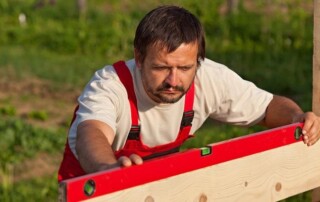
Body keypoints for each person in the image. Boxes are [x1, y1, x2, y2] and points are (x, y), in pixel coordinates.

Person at [58, 5, 320, 182]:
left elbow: (268, 106)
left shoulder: (209, 77)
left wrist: (298, 116)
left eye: (185, 67)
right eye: (162, 67)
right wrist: (108, 170)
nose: (174, 80)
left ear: (198, 60)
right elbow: (91, 133)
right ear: (138, 57)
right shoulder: (110, 85)